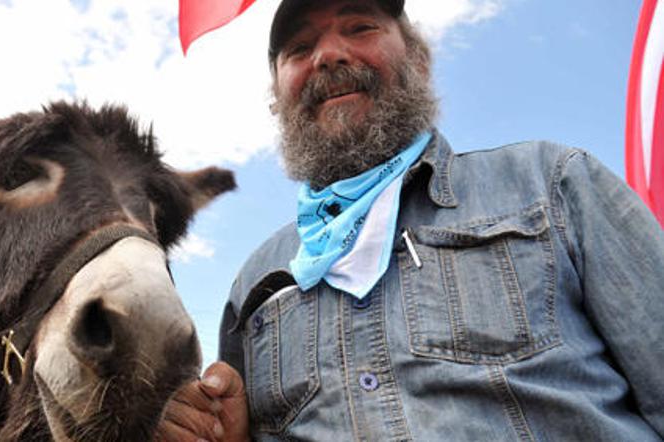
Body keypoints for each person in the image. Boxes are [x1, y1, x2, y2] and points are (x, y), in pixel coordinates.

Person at [155, 0, 664, 440]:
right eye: (299, 48)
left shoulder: (551, 183)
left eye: (359, 28)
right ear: (277, 96)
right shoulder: (256, 283)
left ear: (418, 60)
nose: (328, 54)